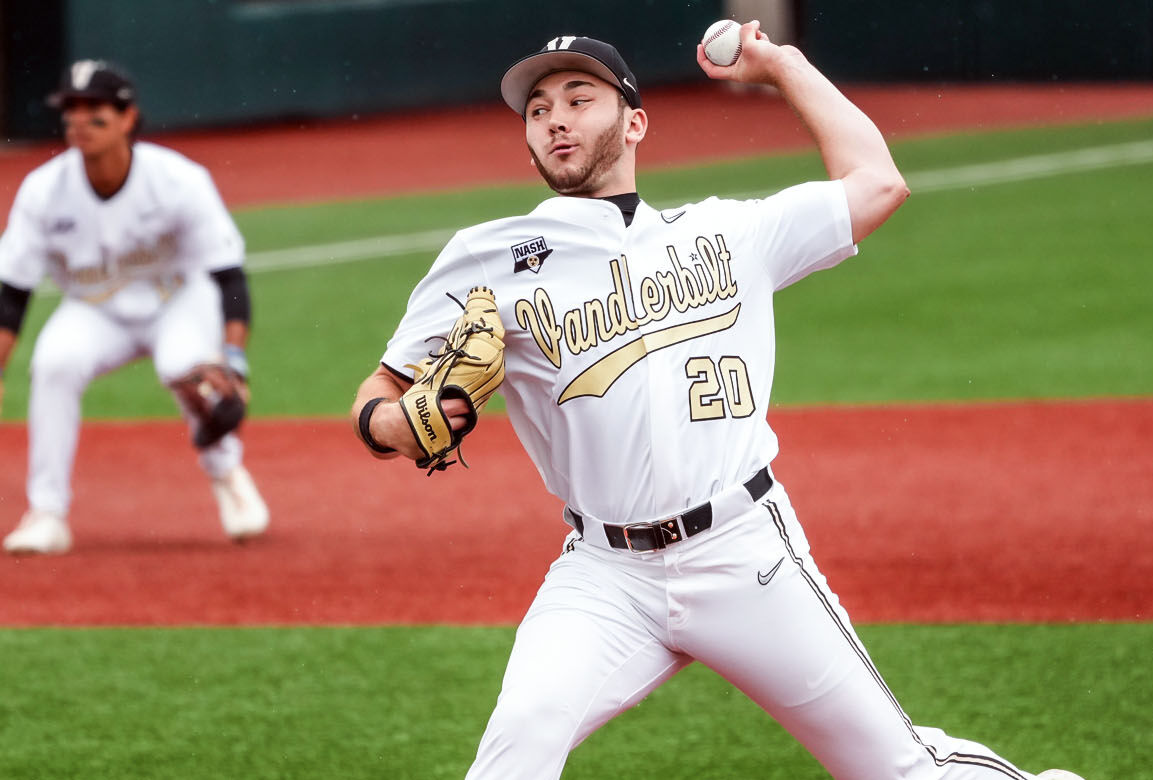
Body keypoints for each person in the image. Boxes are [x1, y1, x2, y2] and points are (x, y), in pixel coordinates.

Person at [350, 25, 1084, 780]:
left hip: (743, 556)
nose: (556, 119)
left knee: (896, 769)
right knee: (515, 748)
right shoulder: (486, 258)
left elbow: (876, 182)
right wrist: (394, 425)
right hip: (605, 575)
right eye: (538, 110)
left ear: (634, 122)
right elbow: (379, 396)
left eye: (580, 98)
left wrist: (783, 66)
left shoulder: (727, 234)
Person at [0, 60, 268, 555]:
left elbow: (229, 276)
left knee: (183, 366)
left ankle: (228, 475)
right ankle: (47, 513)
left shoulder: (178, 180)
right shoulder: (44, 190)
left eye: (94, 109)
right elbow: (12, 292)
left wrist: (234, 359)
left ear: (127, 117)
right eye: (71, 109)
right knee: (54, 363)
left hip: (178, 300)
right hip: (95, 309)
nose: (80, 120)